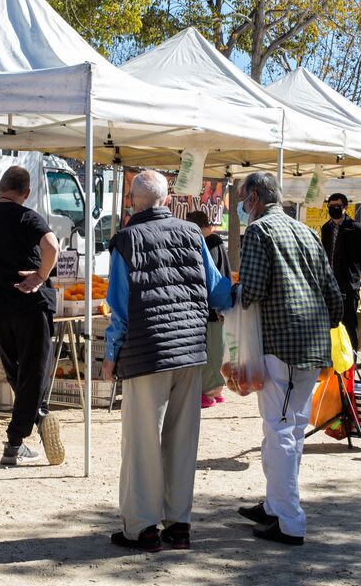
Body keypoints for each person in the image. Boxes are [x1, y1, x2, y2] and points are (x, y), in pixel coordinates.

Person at [103, 173, 233, 552]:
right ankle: (179, 525)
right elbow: (216, 289)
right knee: (182, 440)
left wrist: (111, 354)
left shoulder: (125, 239)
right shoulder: (194, 234)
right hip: (190, 349)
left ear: (133, 201)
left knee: (143, 441)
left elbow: (120, 306)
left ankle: (142, 527)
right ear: (165, 199)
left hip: (148, 351)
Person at [234, 172, 343, 546]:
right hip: (312, 343)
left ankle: (290, 520)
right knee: (291, 429)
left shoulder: (260, 233)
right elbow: (334, 295)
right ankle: (275, 507)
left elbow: (253, 289)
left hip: (281, 344)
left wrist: (231, 297)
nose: (240, 207)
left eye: (241, 199)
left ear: (254, 199)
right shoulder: (307, 232)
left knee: (280, 430)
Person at [0, 166, 64, 466]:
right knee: (34, 370)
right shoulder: (27, 216)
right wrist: (40, 275)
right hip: (29, 303)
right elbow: (52, 246)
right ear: (26, 193)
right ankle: (15, 441)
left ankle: (35, 417)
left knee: (16, 371)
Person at [185, 210, 230, 408]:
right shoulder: (216, 241)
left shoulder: (208, 242)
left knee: (210, 351)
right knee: (216, 349)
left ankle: (210, 392)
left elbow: (208, 277)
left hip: (210, 306)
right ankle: (217, 390)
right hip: (219, 303)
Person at [318, 193, 361, 354]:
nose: (334, 209)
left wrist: (354, 273)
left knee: (349, 324)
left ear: (345, 207)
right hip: (328, 285)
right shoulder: (326, 228)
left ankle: (351, 362)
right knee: (330, 325)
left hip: (348, 285)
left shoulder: (356, 228)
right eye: (331, 206)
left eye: (337, 206)